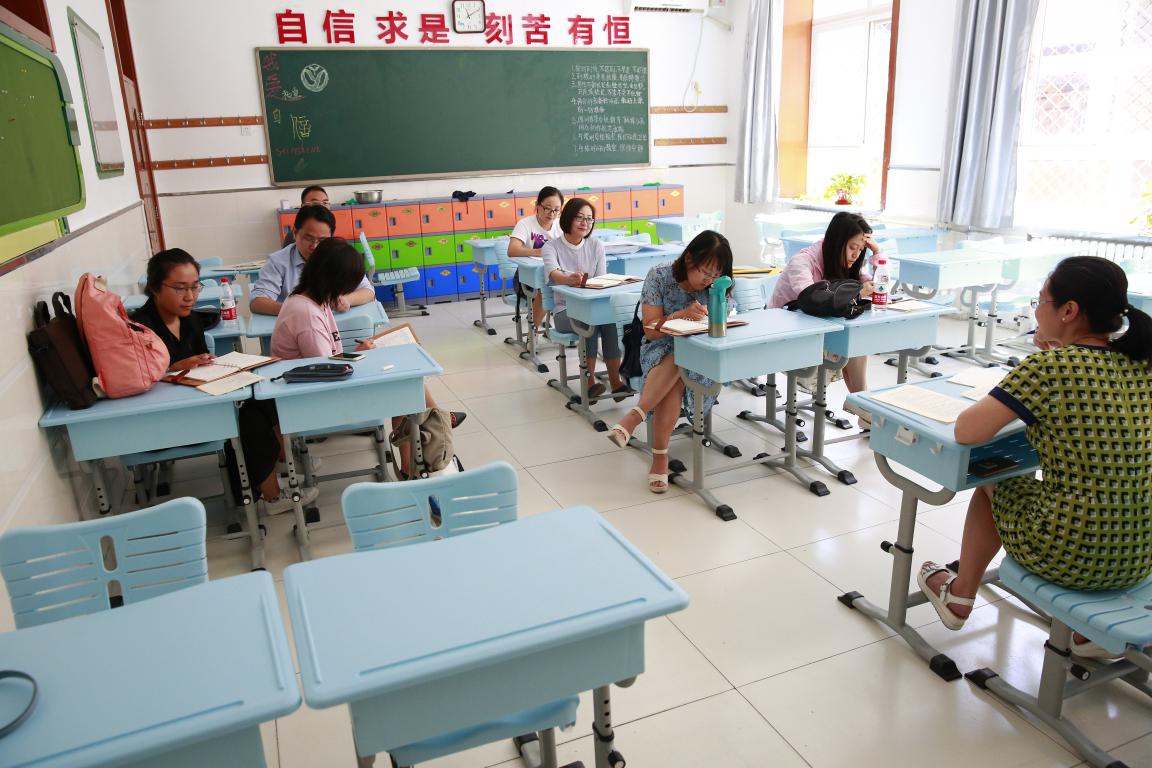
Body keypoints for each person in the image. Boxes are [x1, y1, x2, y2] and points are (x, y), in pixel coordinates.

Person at [918, 256, 1152, 659]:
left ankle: (960, 593)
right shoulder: (1141, 363)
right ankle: (1088, 634)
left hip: (1069, 554)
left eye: (1040, 300)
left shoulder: (1049, 367)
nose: (1037, 309)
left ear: (1068, 310)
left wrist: (1046, 360)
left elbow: (967, 430)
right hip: (1139, 556)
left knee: (993, 470)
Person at [131, 248, 315, 514]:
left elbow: (199, 366)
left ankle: (278, 465)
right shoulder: (139, 329)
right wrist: (170, 370)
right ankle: (271, 497)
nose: (190, 296)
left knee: (262, 398)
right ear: (155, 288)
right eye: (180, 288)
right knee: (248, 417)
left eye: (195, 287)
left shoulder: (191, 320)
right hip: (164, 417)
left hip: (200, 402)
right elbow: (135, 382)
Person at [271, 238, 462, 475]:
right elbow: (326, 370)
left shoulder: (309, 299)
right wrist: (360, 354)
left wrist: (360, 352)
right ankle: (431, 434)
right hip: (313, 399)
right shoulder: (307, 314)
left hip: (317, 387)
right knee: (404, 387)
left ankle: (417, 455)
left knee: (405, 380)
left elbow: (327, 359)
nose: (345, 292)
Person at [604, 231, 734, 493]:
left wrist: (717, 304)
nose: (708, 280)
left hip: (702, 352)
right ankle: (659, 456)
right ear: (689, 259)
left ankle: (635, 420)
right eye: (705, 272)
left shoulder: (717, 286)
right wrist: (682, 315)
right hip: (659, 347)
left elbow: (726, 322)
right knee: (677, 362)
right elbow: (650, 330)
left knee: (682, 361)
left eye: (715, 275)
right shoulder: (659, 276)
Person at [769, 211, 880, 427]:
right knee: (853, 344)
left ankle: (863, 406)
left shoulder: (842, 264)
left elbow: (880, 287)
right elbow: (811, 299)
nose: (856, 255)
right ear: (837, 242)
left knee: (854, 341)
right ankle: (863, 405)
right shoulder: (803, 261)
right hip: (786, 334)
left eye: (861, 250)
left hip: (817, 330)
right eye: (852, 247)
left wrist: (877, 253)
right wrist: (857, 292)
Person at [541, 198, 626, 401]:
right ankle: (589, 383)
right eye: (579, 218)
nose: (585, 223)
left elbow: (602, 280)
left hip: (592, 306)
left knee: (609, 320)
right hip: (564, 310)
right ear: (568, 218)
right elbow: (554, 274)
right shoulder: (551, 247)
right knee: (589, 322)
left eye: (589, 219)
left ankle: (615, 381)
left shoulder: (596, 245)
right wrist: (568, 279)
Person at [254, 204, 375, 316]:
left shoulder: (337, 257)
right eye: (309, 238)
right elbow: (257, 302)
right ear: (295, 233)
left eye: (322, 240)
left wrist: (347, 300)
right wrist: (296, 309)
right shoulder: (278, 262)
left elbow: (369, 292)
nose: (315, 246)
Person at [508, 186, 564, 328]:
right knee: (546, 289)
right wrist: (537, 252)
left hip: (554, 273)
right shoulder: (525, 224)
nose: (552, 214)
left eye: (556, 210)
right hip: (526, 277)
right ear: (538, 206)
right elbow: (512, 250)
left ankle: (566, 330)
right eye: (547, 208)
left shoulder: (561, 225)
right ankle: (533, 334)